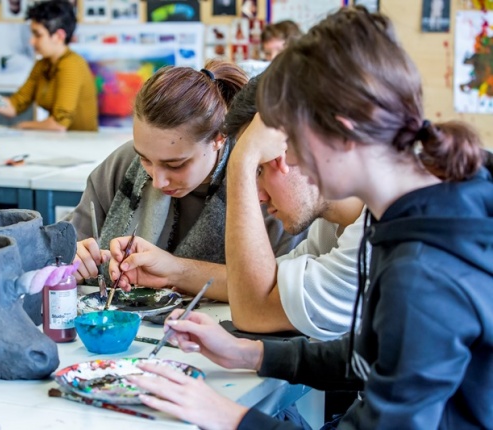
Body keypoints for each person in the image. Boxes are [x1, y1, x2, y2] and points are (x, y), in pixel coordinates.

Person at [122, 7, 493, 429]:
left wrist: (229, 417)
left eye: (293, 142)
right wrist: (253, 354)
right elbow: (377, 354)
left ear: (342, 131)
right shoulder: (421, 208)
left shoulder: (423, 270)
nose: (291, 158)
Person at [109, 75, 365, 340]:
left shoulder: (374, 236)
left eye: (260, 169)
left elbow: (255, 308)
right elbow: (263, 286)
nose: (258, 197)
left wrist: (240, 161)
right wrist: (173, 269)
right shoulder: (331, 228)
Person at [68, 59, 305, 301]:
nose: (158, 181)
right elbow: (62, 243)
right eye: (146, 160)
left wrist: (177, 270)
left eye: (175, 165)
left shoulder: (262, 184)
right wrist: (69, 256)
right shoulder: (123, 164)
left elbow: (277, 289)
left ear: (219, 138)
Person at [0, 0, 98, 131]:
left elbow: (59, 124)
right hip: (60, 143)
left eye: (38, 35)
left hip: (82, 146)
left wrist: (22, 126)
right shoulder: (42, 64)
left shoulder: (71, 65)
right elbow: (16, 105)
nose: (32, 41)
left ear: (59, 36)